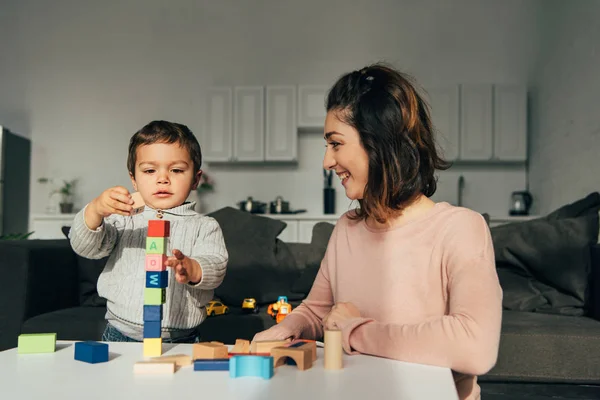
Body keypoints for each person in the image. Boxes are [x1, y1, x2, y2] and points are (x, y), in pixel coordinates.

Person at [253, 64, 502, 399]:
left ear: (378, 143)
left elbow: (475, 347)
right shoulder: (347, 228)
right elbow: (317, 310)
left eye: (336, 144)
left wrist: (354, 332)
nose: (327, 161)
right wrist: (285, 329)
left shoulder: (460, 228)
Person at [69, 120, 228, 343]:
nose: (162, 178)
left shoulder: (205, 226)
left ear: (196, 179)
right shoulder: (123, 218)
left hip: (180, 338)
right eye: (150, 170)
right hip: (119, 333)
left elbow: (216, 266)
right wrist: (95, 210)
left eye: (177, 170)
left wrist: (192, 268)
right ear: (134, 179)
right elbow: (86, 247)